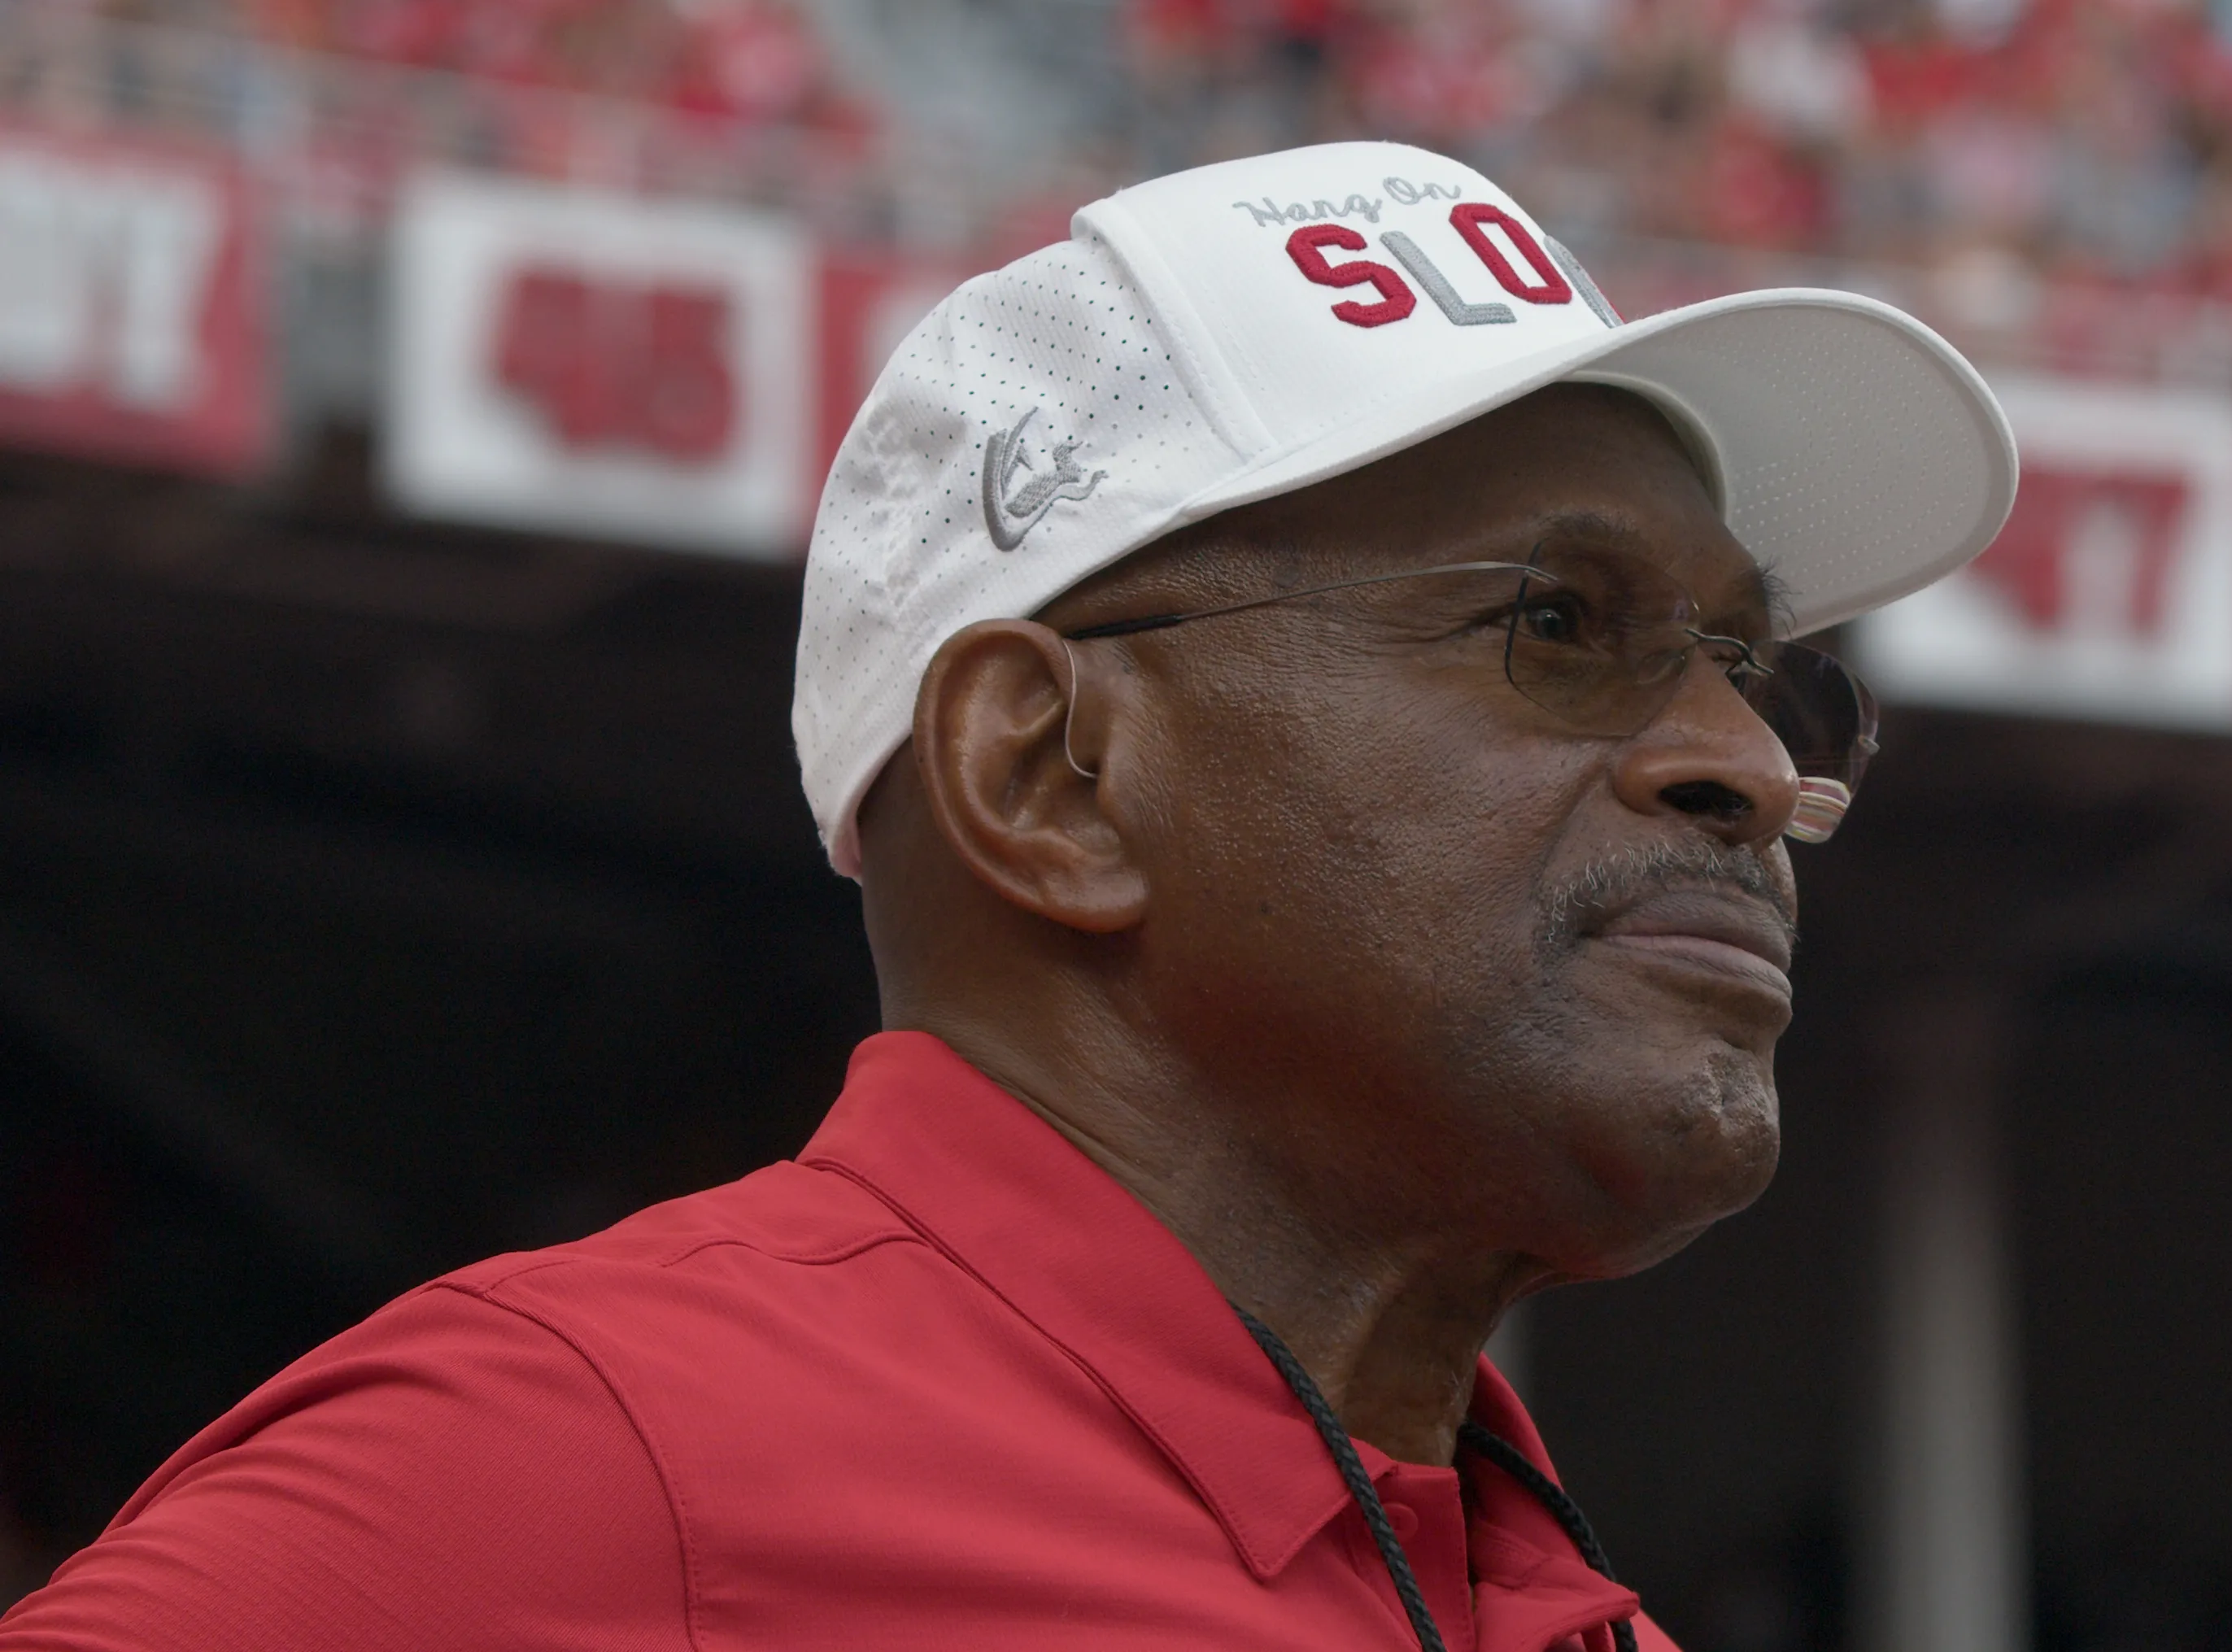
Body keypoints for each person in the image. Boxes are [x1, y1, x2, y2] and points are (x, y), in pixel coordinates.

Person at [0, 139, 2015, 1651]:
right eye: (1556, 621)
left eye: (1754, 667)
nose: (1745, 761)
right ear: (1045, 774)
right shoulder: (587, 1469)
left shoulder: (1550, 1602)